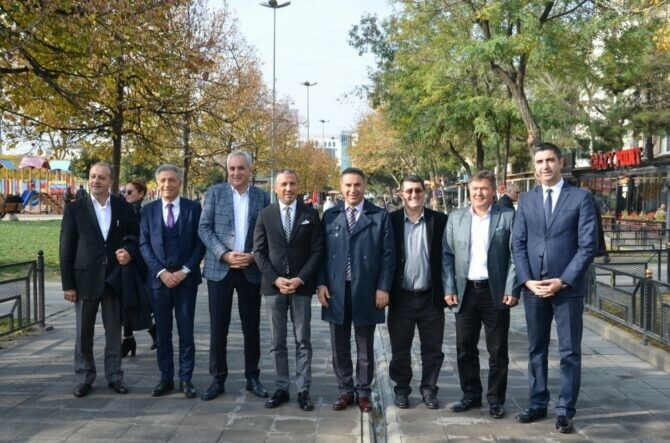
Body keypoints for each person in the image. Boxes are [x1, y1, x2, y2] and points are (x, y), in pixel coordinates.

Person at [512, 142, 598, 434]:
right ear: (534, 167)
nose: (545, 166)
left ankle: (564, 410)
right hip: (534, 289)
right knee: (536, 349)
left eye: (550, 160)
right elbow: (518, 243)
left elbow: (588, 246)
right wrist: (526, 280)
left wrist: (563, 280)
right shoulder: (527, 199)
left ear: (561, 162)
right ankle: (537, 403)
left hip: (567, 290)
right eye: (539, 161)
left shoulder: (581, 198)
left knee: (569, 352)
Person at [317, 167, 395, 413]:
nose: (353, 190)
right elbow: (320, 254)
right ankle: (345, 391)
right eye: (348, 185)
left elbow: (388, 256)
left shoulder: (380, 216)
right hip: (336, 291)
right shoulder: (330, 216)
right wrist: (321, 283)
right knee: (339, 346)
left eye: (357, 185)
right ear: (341, 188)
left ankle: (363, 392)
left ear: (364, 186)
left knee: (365, 347)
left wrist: (383, 287)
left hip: (367, 290)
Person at [442, 170, 518, 419]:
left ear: (494, 191)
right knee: (465, 348)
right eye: (475, 189)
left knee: (497, 350)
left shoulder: (507, 216)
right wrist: (449, 288)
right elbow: (447, 255)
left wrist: (511, 288)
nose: (479, 193)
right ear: (469, 191)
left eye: (484, 188)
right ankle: (471, 394)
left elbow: (515, 256)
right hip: (465, 292)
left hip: (494, 293)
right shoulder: (456, 218)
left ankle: (496, 400)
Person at [59, 162, 138, 398]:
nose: (95, 181)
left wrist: (129, 252)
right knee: (83, 333)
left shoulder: (124, 208)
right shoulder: (75, 208)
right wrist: (68, 284)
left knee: (114, 332)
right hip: (84, 280)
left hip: (114, 279)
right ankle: (84, 376)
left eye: (101, 177)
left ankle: (114, 376)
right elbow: (66, 248)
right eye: (93, 176)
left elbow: (135, 237)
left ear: (110, 181)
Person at [198, 150, 271, 401]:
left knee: (252, 326)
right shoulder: (214, 193)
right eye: (232, 168)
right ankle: (218, 379)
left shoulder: (262, 196)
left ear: (250, 170)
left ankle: (253, 377)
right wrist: (224, 254)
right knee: (219, 326)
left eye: (241, 168)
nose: (236, 173)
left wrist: (253, 255)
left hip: (250, 269)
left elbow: (267, 232)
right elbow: (204, 228)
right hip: (221, 269)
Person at [252, 169, 324, 411]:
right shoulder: (265, 214)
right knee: (277, 341)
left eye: (292, 183)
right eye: (283, 184)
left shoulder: (310, 214)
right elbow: (259, 252)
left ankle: (303, 389)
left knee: (303, 340)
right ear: (275, 187)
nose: (288, 188)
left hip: (300, 288)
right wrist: (275, 279)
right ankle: (281, 387)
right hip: (274, 289)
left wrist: (300, 279)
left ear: (298, 186)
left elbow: (317, 251)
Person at [139, 165, 205, 398]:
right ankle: (165, 377)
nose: (167, 184)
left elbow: (200, 243)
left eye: (171, 180)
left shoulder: (193, 208)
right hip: (159, 282)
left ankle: (186, 378)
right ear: (157, 184)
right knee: (162, 332)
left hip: (186, 281)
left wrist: (185, 270)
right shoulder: (148, 211)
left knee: (186, 331)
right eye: (163, 180)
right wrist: (161, 272)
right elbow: (143, 244)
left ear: (179, 183)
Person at [388, 175, 447, 409]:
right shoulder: (390, 221)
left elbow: (447, 258)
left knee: (433, 349)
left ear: (425, 193)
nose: (414, 195)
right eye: (409, 191)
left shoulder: (439, 220)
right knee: (400, 349)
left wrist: (448, 290)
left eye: (418, 190)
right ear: (401, 194)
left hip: (431, 297)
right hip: (401, 297)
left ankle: (429, 389)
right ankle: (402, 389)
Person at [120, 178, 156, 357]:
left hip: (138, 263)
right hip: (125, 261)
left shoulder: (142, 213)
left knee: (132, 302)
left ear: (141, 193)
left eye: (129, 192)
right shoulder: (127, 210)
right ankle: (130, 337)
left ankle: (132, 338)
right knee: (127, 301)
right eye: (124, 192)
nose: (126, 195)